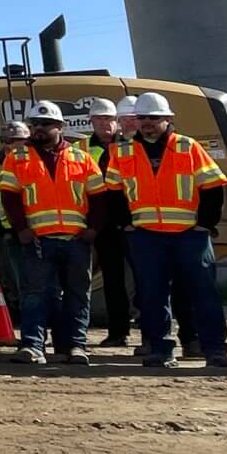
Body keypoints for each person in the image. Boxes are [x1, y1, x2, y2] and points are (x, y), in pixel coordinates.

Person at [102, 93, 227, 370]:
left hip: (190, 234)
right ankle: (160, 350)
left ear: (168, 120)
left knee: (204, 295)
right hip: (146, 235)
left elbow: (212, 188)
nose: (148, 124)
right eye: (143, 118)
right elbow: (113, 193)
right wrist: (125, 223)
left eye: (154, 118)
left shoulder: (189, 147)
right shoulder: (122, 151)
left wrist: (204, 225)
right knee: (152, 296)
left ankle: (215, 351)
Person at [0, 102, 104, 365]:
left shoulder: (81, 158)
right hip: (38, 239)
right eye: (34, 125)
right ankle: (33, 345)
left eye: (45, 124)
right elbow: (9, 197)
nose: (38, 129)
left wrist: (93, 229)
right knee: (35, 294)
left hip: (75, 239)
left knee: (78, 293)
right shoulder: (17, 158)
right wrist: (21, 228)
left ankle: (75, 346)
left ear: (60, 127)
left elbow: (99, 197)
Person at [75, 97, 137, 348]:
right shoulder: (80, 148)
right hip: (102, 223)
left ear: (117, 121)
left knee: (146, 278)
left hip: (133, 220)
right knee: (112, 280)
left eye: (109, 119)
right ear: (91, 121)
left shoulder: (132, 145)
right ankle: (118, 332)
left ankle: (151, 333)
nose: (105, 124)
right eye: (99, 119)